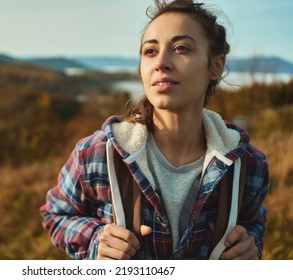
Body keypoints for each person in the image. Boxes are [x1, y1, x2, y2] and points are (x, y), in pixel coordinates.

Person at [39, 0, 269, 260]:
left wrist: (250, 247)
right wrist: (95, 241)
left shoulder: (248, 164)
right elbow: (56, 214)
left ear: (216, 65)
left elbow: (253, 224)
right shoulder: (96, 154)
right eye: (150, 51)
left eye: (181, 48)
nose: (161, 62)